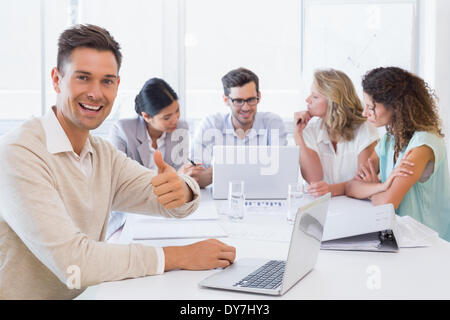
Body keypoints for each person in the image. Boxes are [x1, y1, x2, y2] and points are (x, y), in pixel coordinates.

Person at [0, 24, 235, 300]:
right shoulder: (18, 152)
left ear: (117, 85)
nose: (96, 93)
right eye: (83, 78)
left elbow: (163, 199)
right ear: (56, 79)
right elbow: (74, 264)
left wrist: (182, 190)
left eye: (107, 81)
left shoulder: (100, 154)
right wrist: (180, 256)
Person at [345, 66, 450, 241]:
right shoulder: (389, 141)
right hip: (399, 237)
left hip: (428, 243)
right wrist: (382, 187)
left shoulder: (423, 145)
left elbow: (387, 203)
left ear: (395, 106)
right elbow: (351, 187)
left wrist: (372, 190)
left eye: (371, 107)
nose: (365, 113)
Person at [106, 78, 204, 239]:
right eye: (166, 117)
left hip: (167, 212)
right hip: (128, 214)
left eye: (177, 111)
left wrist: (184, 176)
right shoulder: (122, 130)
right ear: (146, 116)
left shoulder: (181, 128)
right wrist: (177, 175)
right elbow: (118, 180)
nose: (175, 120)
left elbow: (179, 172)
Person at [190, 67, 288, 188]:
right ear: (226, 100)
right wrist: (255, 166)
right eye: (238, 101)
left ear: (259, 97)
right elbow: (193, 178)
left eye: (251, 99)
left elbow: (280, 172)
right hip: (217, 200)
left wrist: (222, 169)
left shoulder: (273, 123)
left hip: (262, 197)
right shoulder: (210, 125)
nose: (246, 107)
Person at [294, 69, 379, 196]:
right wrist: (297, 134)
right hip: (322, 207)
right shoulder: (309, 131)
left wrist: (331, 190)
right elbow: (314, 180)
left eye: (315, 96)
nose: (308, 100)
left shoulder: (364, 128)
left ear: (333, 101)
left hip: (356, 205)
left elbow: (363, 183)